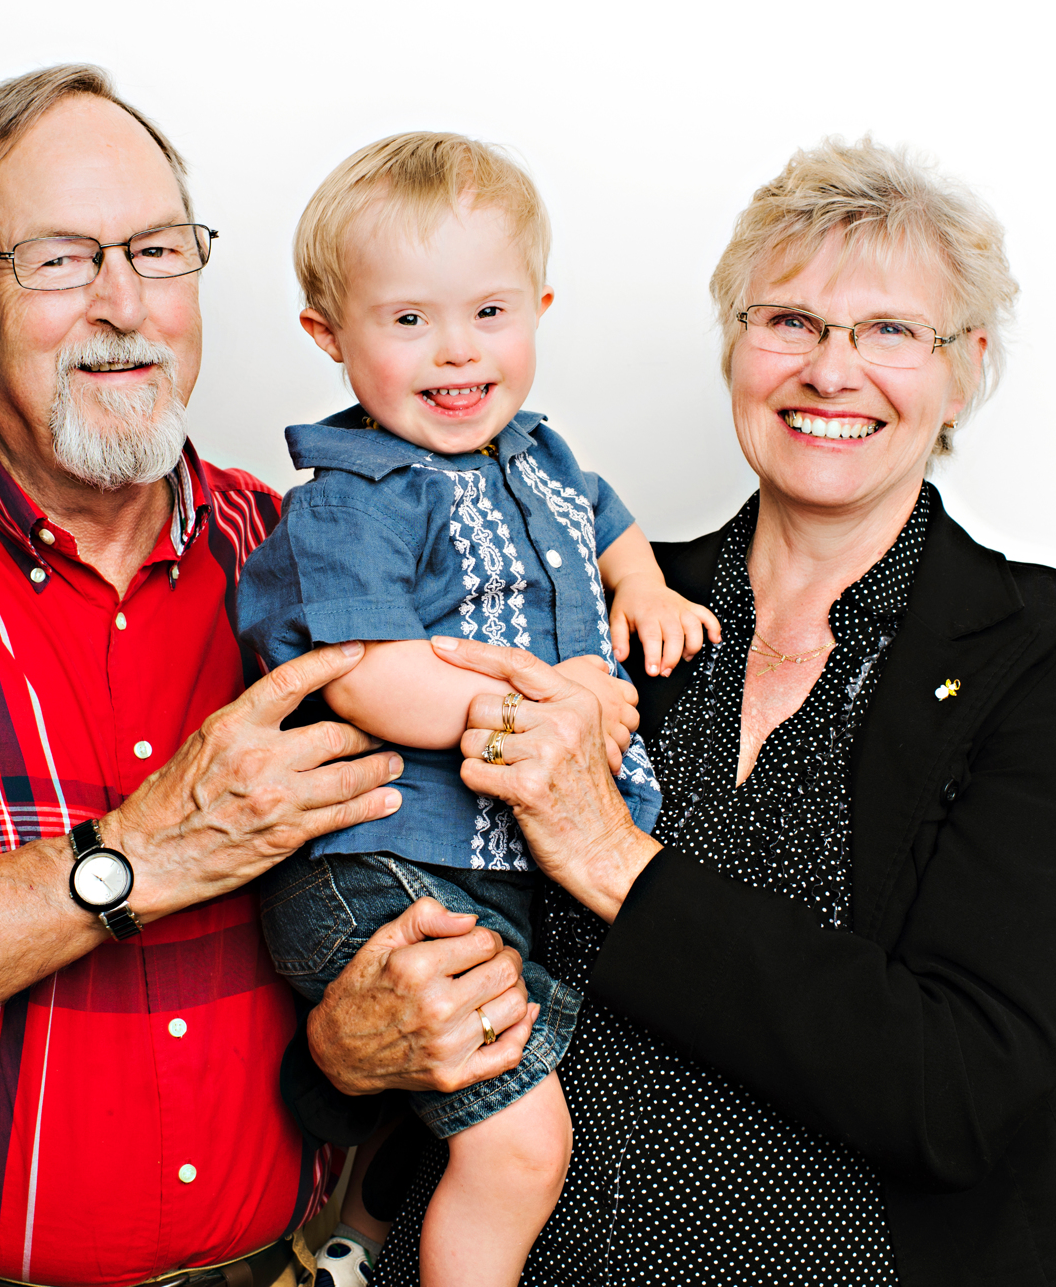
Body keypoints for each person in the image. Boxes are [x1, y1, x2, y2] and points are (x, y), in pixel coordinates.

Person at [0, 66, 537, 1287]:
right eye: (59, 260)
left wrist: (346, 1057)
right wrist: (138, 858)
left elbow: (422, 884)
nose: (122, 305)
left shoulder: (312, 556)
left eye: (156, 251)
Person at [343, 138, 1056, 1284]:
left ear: (965, 365)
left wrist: (611, 861)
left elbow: (957, 1085)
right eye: (786, 320)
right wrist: (336, 1048)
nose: (829, 373)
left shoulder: (1040, 649)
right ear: (735, 346)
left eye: (890, 331)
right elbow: (404, 880)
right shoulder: (584, 603)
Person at [235, 132, 719, 1287]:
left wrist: (642, 588)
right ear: (328, 338)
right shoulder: (354, 498)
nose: (456, 350)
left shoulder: (542, 457)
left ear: (539, 309)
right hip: (379, 871)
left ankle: (367, 1246)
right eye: (407, 321)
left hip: (473, 872)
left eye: (490, 313)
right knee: (518, 1148)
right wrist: (536, 716)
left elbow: (607, 525)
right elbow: (366, 674)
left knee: (511, 1139)